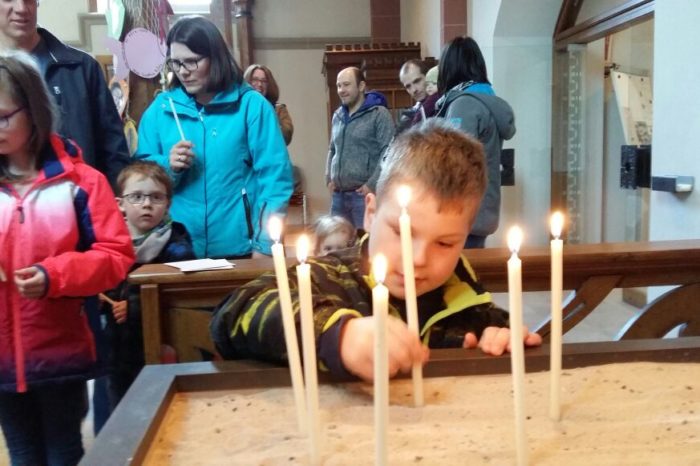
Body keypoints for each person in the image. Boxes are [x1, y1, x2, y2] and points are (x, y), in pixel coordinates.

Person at [211, 119, 541, 382]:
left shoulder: (467, 298)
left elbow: (498, 335)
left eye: (445, 243)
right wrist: (339, 335)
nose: (419, 259)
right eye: (401, 232)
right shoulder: (329, 276)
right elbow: (233, 315)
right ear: (370, 213)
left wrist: (500, 338)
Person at [0, 51, 134, 466]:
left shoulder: (80, 182)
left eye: (4, 116)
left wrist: (54, 275)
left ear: (34, 111)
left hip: (60, 349)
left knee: (63, 451)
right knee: (22, 453)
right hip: (3, 357)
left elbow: (114, 255)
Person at [136, 16, 293, 259]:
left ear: (216, 56)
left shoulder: (251, 107)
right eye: (175, 63)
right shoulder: (160, 110)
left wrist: (264, 245)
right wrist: (168, 166)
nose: (183, 72)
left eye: (192, 62)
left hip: (240, 250)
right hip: (174, 251)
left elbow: (275, 180)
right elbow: (139, 178)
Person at [0, 0, 130, 189]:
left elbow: (113, 149)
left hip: (82, 202)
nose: (22, 8)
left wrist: (117, 200)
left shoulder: (81, 67)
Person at [100, 161, 195, 410]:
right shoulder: (109, 243)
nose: (146, 204)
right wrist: (101, 298)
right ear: (120, 203)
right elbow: (103, 281)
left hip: (165, 346)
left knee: (161, 406)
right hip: (118, 349)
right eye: (136, 197)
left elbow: (180, 295)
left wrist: (133, 306)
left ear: (168, 204)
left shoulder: (177, 246)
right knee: (121, 409)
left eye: (156, 197)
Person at [436, 36, 516, 249]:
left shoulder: (464, 104)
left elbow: (454, 161)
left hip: (461, 211)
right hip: (480, 208)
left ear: (449, 67)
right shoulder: (485, 99)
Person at [326, 66, 395, 228]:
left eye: (346, 84)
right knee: (337, 247)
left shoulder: (379, 114)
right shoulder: (337, 116)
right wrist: (329, 177)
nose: (341, 90)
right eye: (338, 85)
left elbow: (389, 152)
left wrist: (371, 184)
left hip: (363, 196)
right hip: (338, 197)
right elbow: (332, 149)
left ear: (361, 86)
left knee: (365, 248)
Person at [244, 64, 294, 145]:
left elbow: (285, 137)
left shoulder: (279, 109)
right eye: (255, 80)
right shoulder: (239, 110)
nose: (259, 84)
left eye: (264, 81)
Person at [398, 59, 440, 131]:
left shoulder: (444, 103)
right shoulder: (408, 117)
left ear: (428, 76)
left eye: (417, 81)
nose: (414, 90)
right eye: (408, 86)